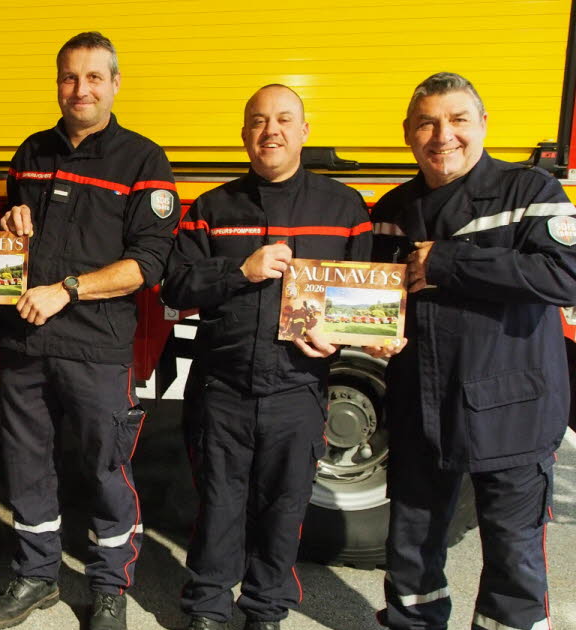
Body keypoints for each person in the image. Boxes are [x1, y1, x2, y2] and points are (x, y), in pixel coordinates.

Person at [0, 32, 178, 630]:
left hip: (95, 346)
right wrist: (7, 218)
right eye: (70, 77)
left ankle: (110, 586)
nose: (80, 89)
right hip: (26, 343)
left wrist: (66, 289)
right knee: (26, 464)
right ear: (57, 83)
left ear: (115, 84)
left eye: (94, 78)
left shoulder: (144, 160)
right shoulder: (32, 152)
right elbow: (15, 237)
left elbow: (148, 264)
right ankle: (36, 575)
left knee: (104, 469)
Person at [161, 85, 372, 630]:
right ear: (244, 134)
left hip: (298, 388)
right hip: (221, 389)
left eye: (283, 120)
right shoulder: (211, 208)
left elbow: (367, 297)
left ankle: (264, 609)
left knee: (284, 509)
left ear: (305, 132)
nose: (270, 131)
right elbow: (176, 286)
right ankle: (207, 606)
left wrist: (341, 339)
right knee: (217, 505)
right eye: (257, 121)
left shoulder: (344, 208)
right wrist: (241, 270)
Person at [371, 72, 575, 630]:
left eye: (458, 119)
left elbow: (564, 274)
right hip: (420, 406)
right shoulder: (394, 208)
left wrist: (446, 263)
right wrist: (366, 325)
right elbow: (374, 293)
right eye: (427, 123)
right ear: (408, 134)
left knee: (513, 559)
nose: (443, 135)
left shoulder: (529, 192)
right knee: (411, 554)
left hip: (512, 409)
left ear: (483, 123)